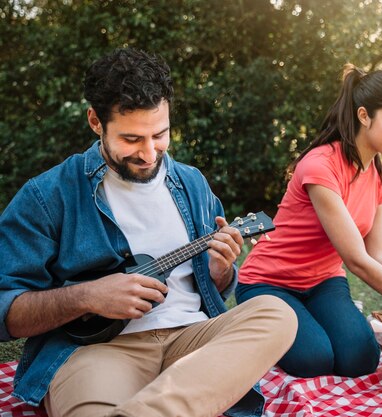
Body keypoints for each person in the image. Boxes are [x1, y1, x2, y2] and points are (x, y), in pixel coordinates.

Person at [0, 48, 297, 417]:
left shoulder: (192, 183)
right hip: (100, 353)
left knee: (276, 313)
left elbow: (214, 286)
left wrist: (220, 271)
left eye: (160, 134)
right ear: (95, 121)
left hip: (192, 342)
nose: (149, 153)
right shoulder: (48, 196)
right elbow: (5, 311)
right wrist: (87, 297)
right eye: (131, 139)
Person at [235, 64, 382, 378]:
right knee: (315, 360)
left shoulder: (379, 176)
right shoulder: (320, 166)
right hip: (268, 284)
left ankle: (307, 320)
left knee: (361, 357)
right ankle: (256, 324)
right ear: (364, 116)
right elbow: (357, 260)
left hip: (323, 283)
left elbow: (380, 254)